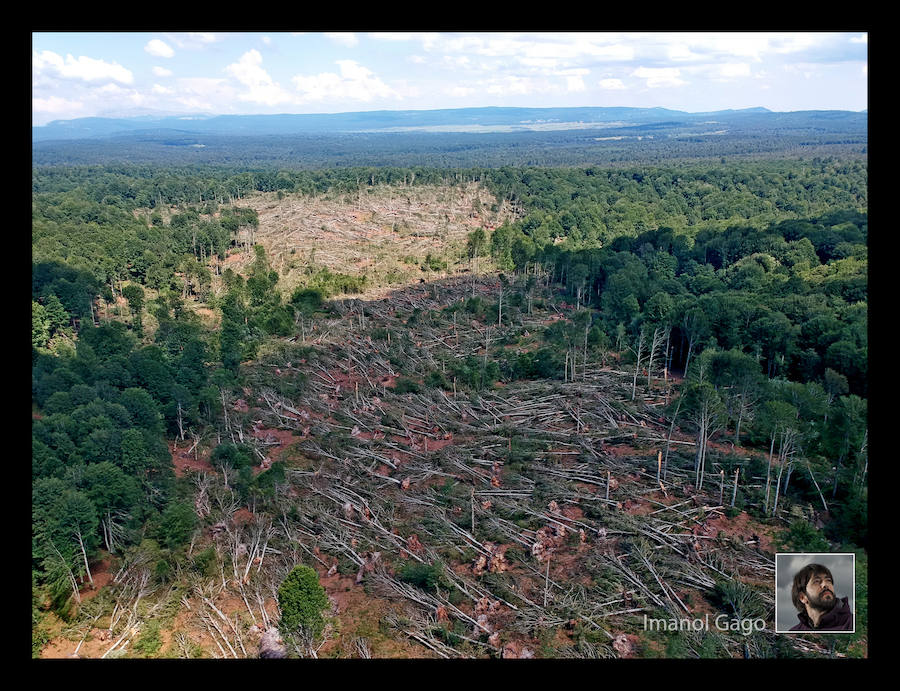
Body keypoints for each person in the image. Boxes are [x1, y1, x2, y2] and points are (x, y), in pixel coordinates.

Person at [789, 563, 853, 631]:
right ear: (802, 597)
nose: (825, 585)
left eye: (828, 580)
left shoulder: (852, 624)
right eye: (816, 581)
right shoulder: (795, 631)